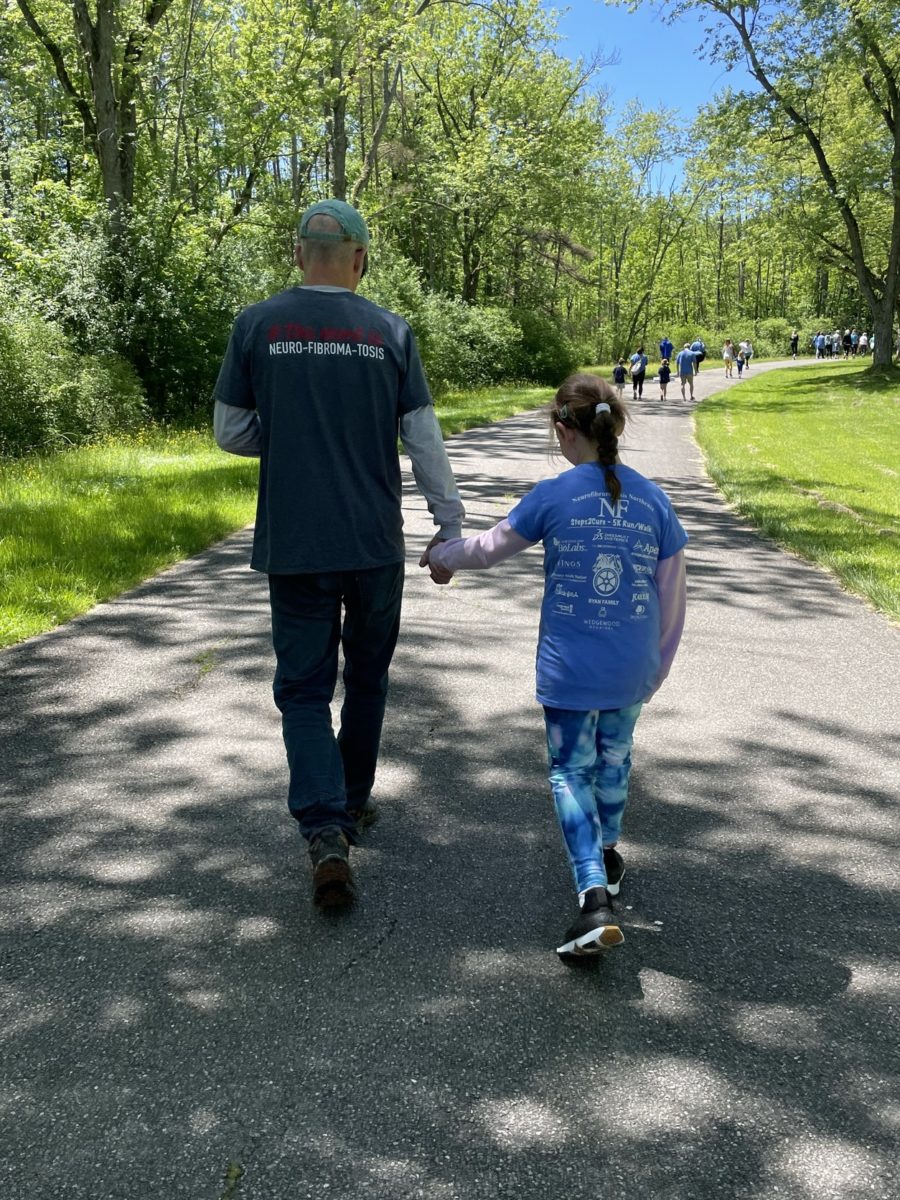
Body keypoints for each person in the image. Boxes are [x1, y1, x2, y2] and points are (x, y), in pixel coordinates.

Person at [214, 198, 465, 907]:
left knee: (301, 687)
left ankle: (324, 829)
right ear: (360, 258)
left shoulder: (256, 325)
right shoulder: (389, 331)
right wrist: (448, 527)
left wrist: (289, 436)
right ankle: (350, 805)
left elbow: (231, 431)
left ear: (299, 254)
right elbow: (423, 440)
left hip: (296, 542)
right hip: (373, 543)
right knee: (368, 679)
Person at [422, 374, 687, 960]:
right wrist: (656, 668)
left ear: (565, 432)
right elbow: (673, 598)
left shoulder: (555, 494)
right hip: (631, 668)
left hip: (570, 671)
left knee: (571, 772)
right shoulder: (654, 499)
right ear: (612, 426)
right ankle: (610, 853)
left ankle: (594, 897)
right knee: (615, 757)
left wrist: (441, 556)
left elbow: (488, 548)